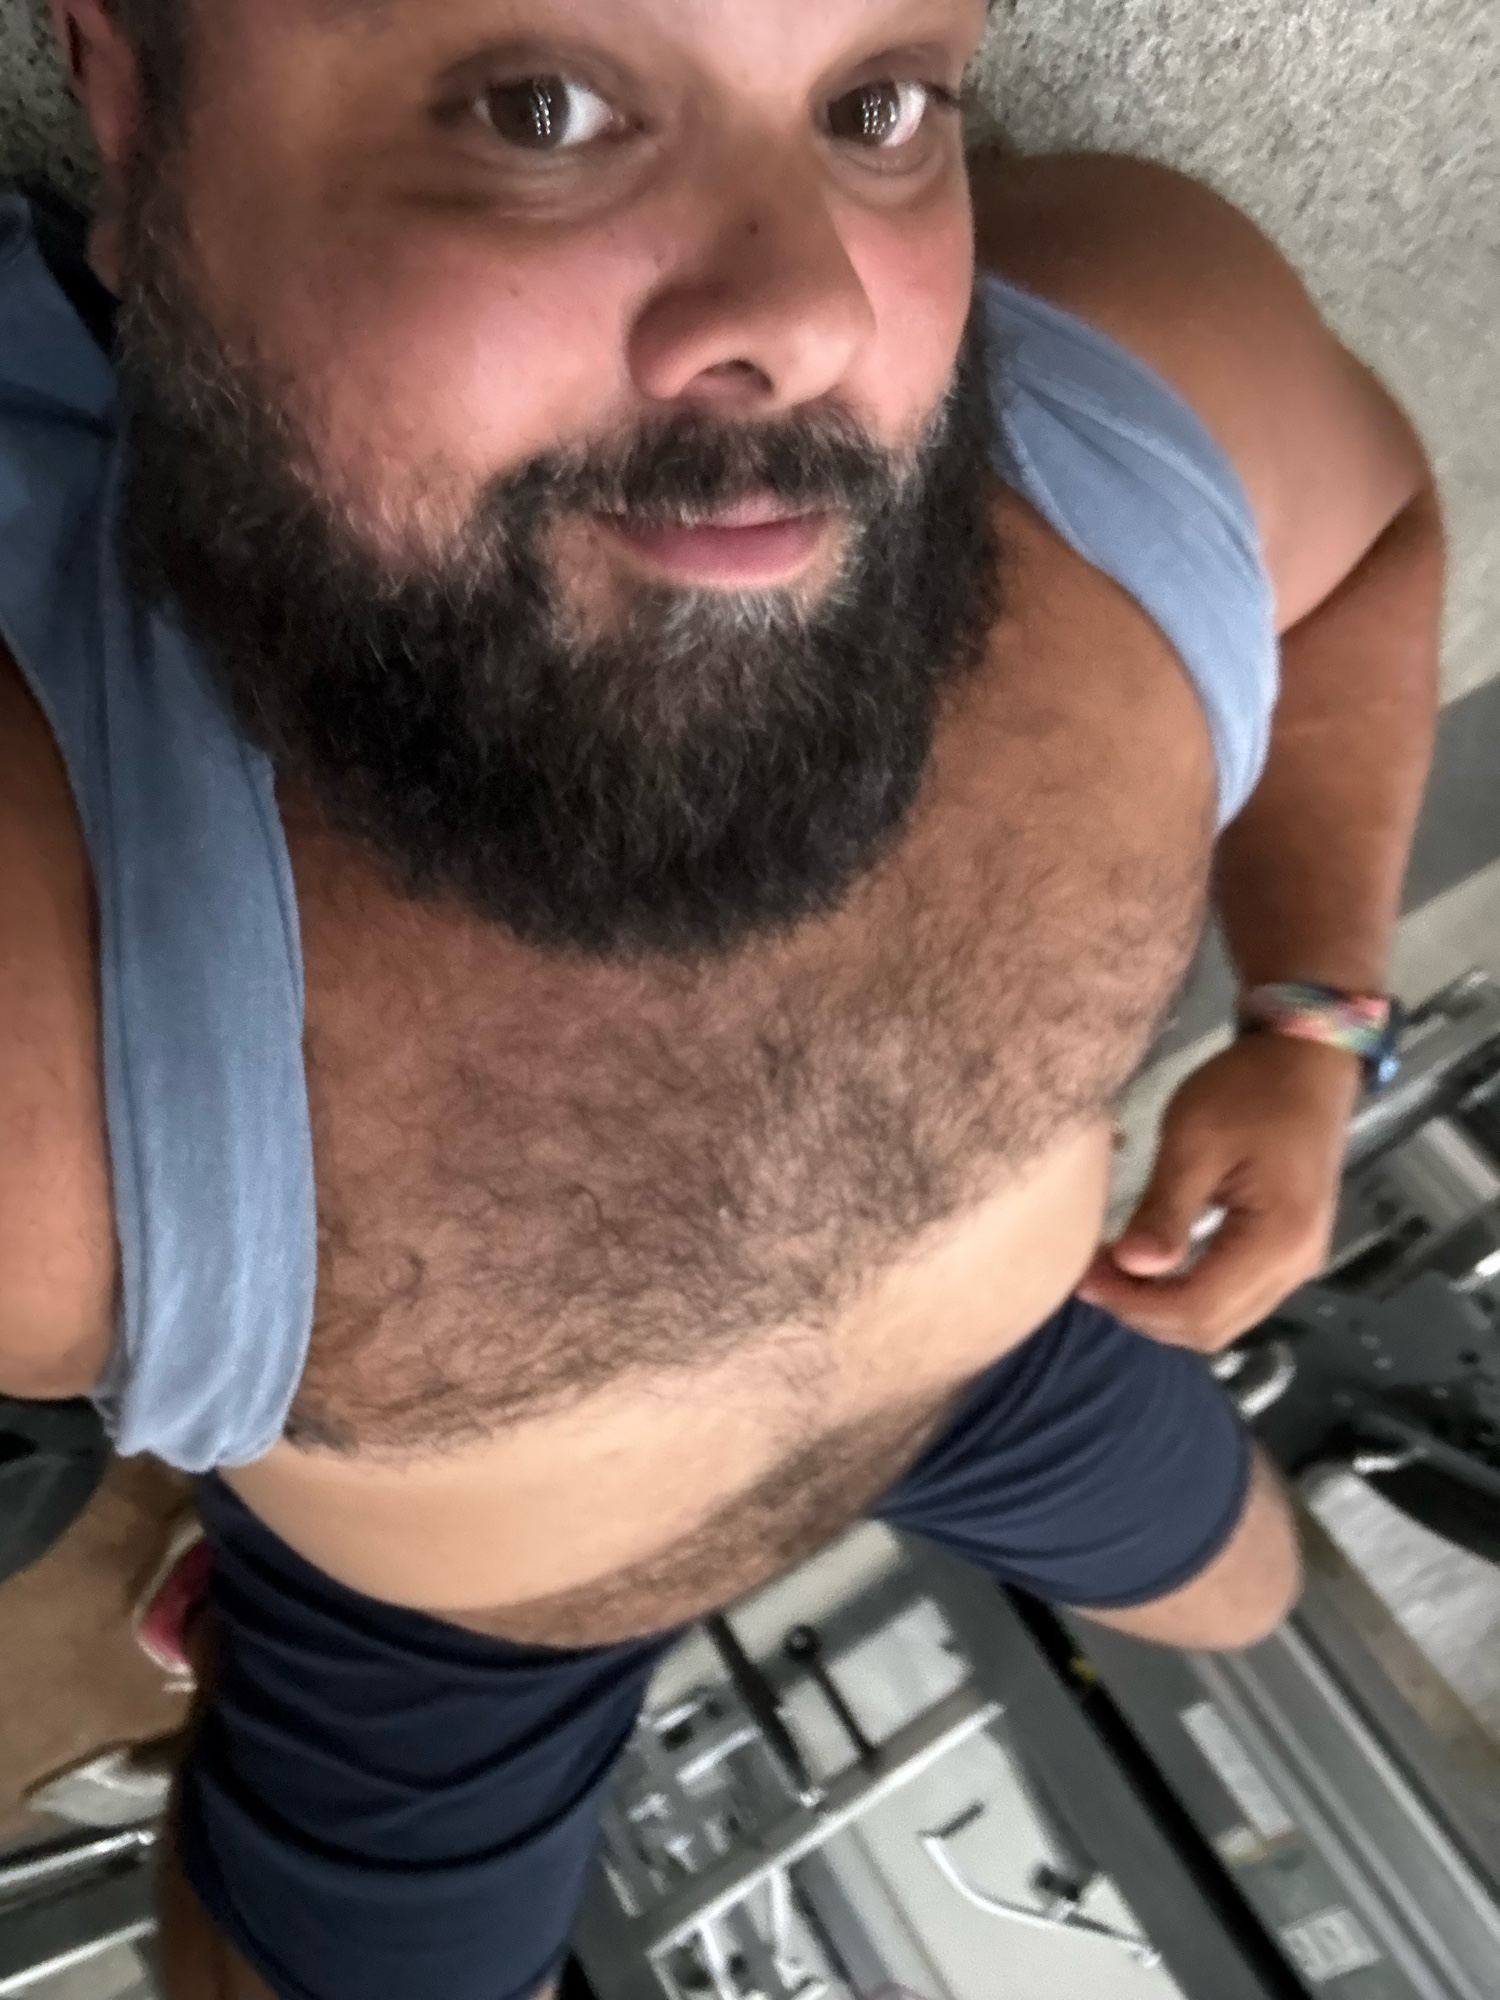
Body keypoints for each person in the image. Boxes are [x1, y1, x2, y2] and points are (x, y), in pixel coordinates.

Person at [0, 0, 1440, 1994]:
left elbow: (1373, 549)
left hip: (993, 1355)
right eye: (540, 105)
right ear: (127, 94)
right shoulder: (52, 1027)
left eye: (878, 102)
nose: (812, 316)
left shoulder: (1137, 416)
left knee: (1251, 1596)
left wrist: (1315, 1021)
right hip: (451, 1600)